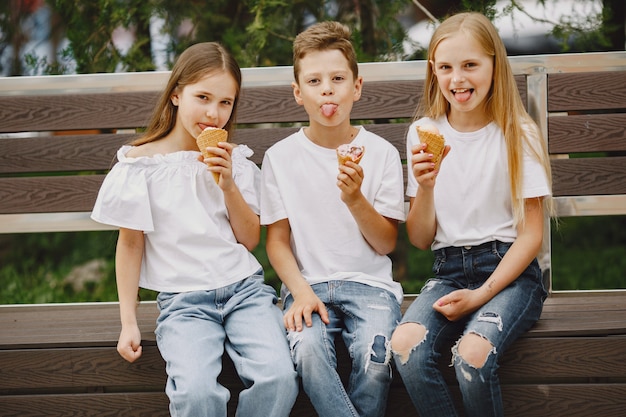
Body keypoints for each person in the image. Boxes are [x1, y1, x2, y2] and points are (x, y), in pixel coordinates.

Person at [90, 42, 298, 417]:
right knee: (197, 395)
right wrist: (128, 323)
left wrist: (228, 183)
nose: (213, 113)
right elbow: (130, 245)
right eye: (202, 97)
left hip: (244, 292)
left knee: (279, 378)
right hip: (184, 302)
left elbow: (249, 240)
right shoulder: (141, 166)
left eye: (225, 102)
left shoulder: (236, 161)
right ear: (175, 94)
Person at [390, 12, 553, 417]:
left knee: (472, 354)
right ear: (433, 71)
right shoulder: (424, 132)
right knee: (406, 343)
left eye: (470, 65)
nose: (457, 79)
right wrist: (425, 188)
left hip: (510, 272)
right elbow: (420, 238)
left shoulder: (518, 132)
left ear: (494, 65)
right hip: (449, 270)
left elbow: (532, 235)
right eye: (445, 67)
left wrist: (481, 296)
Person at [260, 21, 406, 417]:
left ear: (356, 87)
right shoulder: (280, 158)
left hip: (370, 287)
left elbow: (385, 243)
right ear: (298, 93)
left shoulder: (380, 154)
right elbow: (276, 241)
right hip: (306, 285)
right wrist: (300, 290)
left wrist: (355, 198)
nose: (327, 89)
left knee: (377, 358)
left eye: (338, 78)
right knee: (307, 352)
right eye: (315, 80)